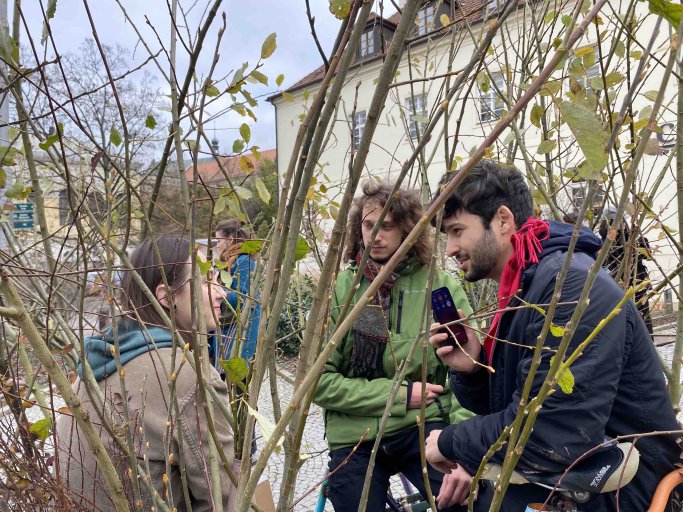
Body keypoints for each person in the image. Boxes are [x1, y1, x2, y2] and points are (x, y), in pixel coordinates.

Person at [425, 160, 680, 511]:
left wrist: (450, 442)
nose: (451, 248)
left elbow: (550, 436)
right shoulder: (527, 285)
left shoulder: (568, 288)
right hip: (579, 477)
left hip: (628, 485)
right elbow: (514, 407)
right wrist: (473, 366)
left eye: (456, 230)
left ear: (502, 220)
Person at [314, 180, 476, 511]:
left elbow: (468, 375)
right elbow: (318, 382)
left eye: (386, 226)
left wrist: (465, 450)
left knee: (467, 502)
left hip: (422, 427)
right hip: (354, 435)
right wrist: (400, 395)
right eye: (368, 225)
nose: (375, 236)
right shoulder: (341, 291)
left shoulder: (438, 284)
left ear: (407, 229)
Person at [56, 235, 236, 512]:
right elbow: (220, 500)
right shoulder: (188, 378)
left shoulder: (95, 366)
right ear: (166, 296)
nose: (220, 292)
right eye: (205, 281)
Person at [211, 218, 261, 364]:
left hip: (238, 333)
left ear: (230, 240)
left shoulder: (244, 261)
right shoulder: (230, 261)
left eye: (218, 240)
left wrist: (217, 291)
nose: (217, 245)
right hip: (228, 329)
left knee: (233, 380)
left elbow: (245, 299)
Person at [599, 208, 654, 335]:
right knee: (636, 322)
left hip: (633, 287)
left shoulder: (634, 239)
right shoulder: (602, 243)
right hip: (621, 287)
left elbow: (648, 255)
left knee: (638, 321)